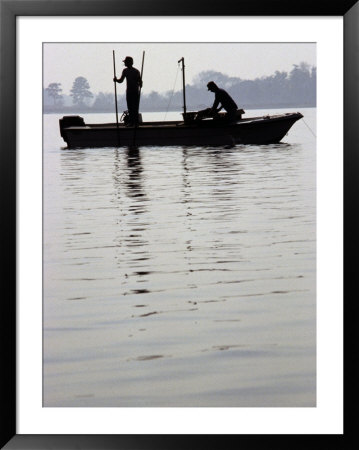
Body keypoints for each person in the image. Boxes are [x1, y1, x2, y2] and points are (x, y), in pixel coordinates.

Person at [113, 56, 142, 126]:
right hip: (129, 92)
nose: (125, 63)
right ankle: (131, 122)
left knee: (135, 108)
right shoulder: (125, 71)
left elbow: (140, 82)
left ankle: (136, 122)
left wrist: (140, 83)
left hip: (135, 92)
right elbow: (121, 80)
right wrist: (116, 80)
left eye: (126, 62)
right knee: (130, 108)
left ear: (130, 62)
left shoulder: (136, 71)